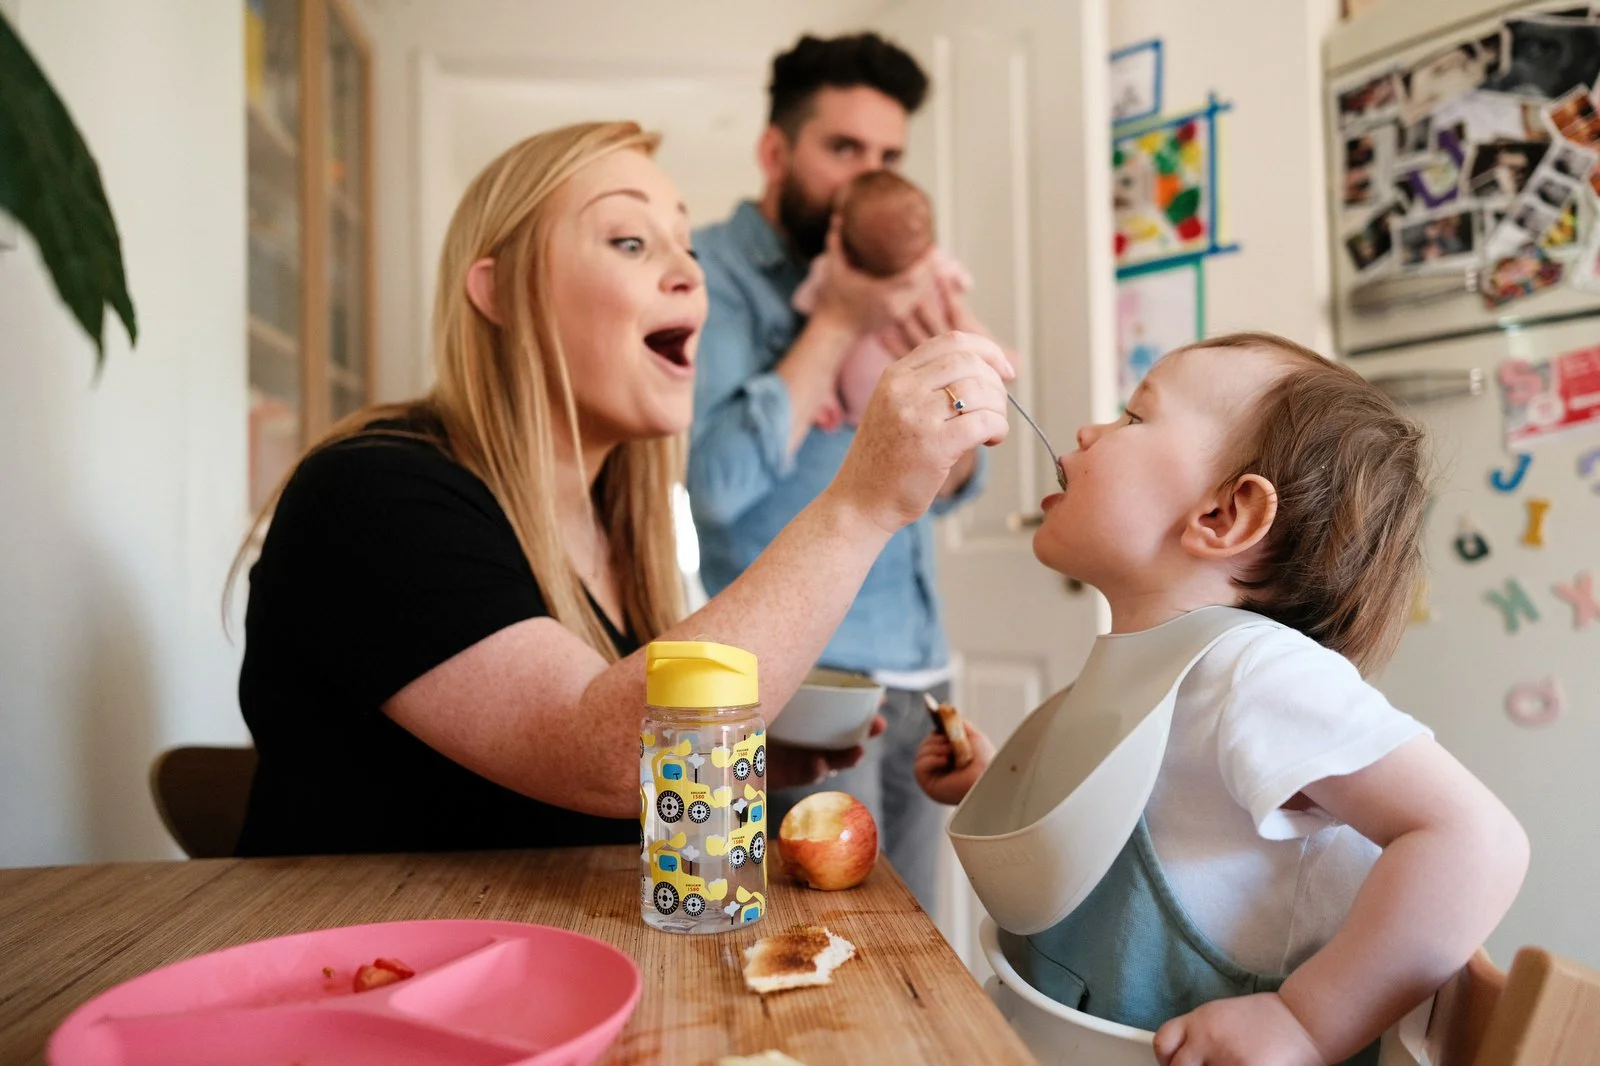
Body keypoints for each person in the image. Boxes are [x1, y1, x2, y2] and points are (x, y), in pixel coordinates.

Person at [230, 120, 1014, 857]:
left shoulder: (616, 534)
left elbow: (611, 777)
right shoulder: (375, 494)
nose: (688, 274)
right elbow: (596, 754)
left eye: (686, 245)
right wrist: (861, 505)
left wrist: (736, 758)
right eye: (632, 241)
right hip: (370, 975)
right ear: (497, 292)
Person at [917, 333, 1528, 1065]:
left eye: (1133, 419)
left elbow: (1478, 840)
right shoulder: (1147, 668)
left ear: (1223, 516)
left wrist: (1303, 1022)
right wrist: (999, 783)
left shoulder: (1257, 672)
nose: (1087, 431)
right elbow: (1156, 826)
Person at [690, 32, 993, 915]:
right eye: (843, 149)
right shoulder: (710, 274)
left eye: (889, 155)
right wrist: (836, 323)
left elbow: (954, 487)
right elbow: (713, 486)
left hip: (921, 669)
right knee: (813, 936)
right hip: (804, 685)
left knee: (916, 939)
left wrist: (955, 410)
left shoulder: (909, 271)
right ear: (775, 151)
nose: (868, 177)